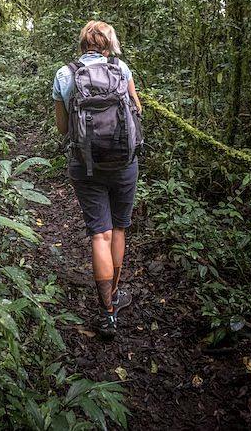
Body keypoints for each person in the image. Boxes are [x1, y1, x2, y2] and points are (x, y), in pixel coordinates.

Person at [52, 20, 142, 338]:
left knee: (99, 235)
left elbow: (64, 129)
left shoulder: (65, 74)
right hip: (123, 163)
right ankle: (115, 297)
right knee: (118, 229)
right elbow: (137, 109)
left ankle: (107, 315)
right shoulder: (122, 69)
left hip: (85, 166)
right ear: (109, 44)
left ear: (82, 44)